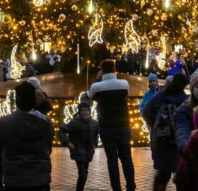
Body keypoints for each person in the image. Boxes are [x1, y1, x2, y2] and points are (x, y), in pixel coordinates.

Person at [88, 59, 136, 191]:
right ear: (114, 69)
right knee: (127, 158)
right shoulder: (124, 84)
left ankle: (116, 188)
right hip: (123, 124)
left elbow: (90, 96)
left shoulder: (96, 87)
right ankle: (131, 186)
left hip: (106, 126)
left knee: (112, 160)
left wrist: (98, 79)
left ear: (101, 70)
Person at [0, 81, 54, 191]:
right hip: (39, 177)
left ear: (17, 101)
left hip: (14, 177)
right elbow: (48, 146)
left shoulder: (5, 122)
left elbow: (1, 144)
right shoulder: (46, 122)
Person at [141, 71, 187, 191]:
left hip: (161, 140)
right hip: (179, 141)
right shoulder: (185, 99)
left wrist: (154, 125)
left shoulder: (160, 96)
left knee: (162, 174)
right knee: (181, 174)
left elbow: (146, 112)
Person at [59, 100, 99, 191]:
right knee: (83, 174)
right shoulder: (74, 123)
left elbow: (96, 134)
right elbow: (61, 130)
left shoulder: (94, 123)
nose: (84, 112)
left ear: (89, 110)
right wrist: (67, 142)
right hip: (78, 151)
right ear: (79, 112)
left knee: (85, 173)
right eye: (82, 110)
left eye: (86, 110)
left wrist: (94, 144)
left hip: (89, 152)